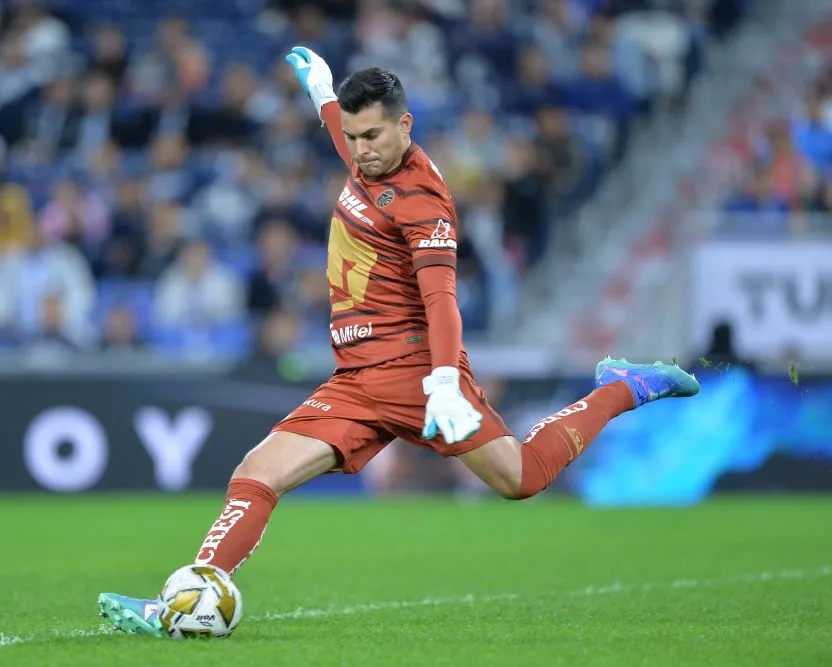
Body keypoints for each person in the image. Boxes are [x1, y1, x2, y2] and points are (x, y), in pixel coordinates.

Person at [97, 47, 699, 636]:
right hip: (357, 378)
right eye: (353, 137)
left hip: (415, 374)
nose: (361, 149)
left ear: (405, 126)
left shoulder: (423, 202)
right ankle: (176, 606)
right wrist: (323, 92)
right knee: (256, 472)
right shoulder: (367, 156)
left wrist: (444, 384)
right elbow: (344, 131)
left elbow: (442, 301)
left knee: (523, 479)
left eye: (373, 136)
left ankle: (622, 389)